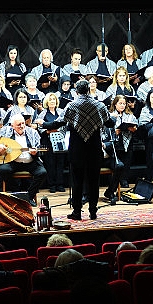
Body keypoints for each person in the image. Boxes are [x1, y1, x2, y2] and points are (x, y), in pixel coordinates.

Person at [62, 80, 113, 221]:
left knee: (77, 181)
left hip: (77, 148)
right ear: (89, 89)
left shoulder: (72, 105)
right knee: (94, 181)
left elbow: (61, 121)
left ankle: (77, 212)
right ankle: (93, 212)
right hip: (94, 148)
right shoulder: (99, 105)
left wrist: (44, 124)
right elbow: (110, 122)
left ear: (76, 91)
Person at [0, 114, 46, 207]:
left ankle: (29, 197)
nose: (21, 126)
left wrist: (35, 152)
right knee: (3, 170)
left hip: (30, 161)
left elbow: (39, 148)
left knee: (42, 172)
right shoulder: (5, 131)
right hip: (13, 162)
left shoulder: (33, 132)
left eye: (23, 123)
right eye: (18, 124)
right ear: (12, 125)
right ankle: (16, 194)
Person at [36, 92, 67, 193]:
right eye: (50, 100)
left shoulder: (61, 111)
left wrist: (56, 130)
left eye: (54, 99)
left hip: (59, 140)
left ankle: (60, 184)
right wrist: (47, 131)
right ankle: (52, 185)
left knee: (60, 163)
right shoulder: (43, 113)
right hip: (48, 141)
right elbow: (39, 126)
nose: (52, 101)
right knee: (50, 163)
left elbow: (64, 125)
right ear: (47, 102)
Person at [109, 94, 138, 188]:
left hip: (127, 140)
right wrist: (116, 131)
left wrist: (132, 128)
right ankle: (117, 180)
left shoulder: (130, 115)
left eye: (124, 104)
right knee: (118, 162)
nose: (122, 105)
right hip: (116, 142)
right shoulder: (111, 115)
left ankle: (124, 179)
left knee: (127, 161)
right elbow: (107, 130)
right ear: (115, 104)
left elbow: (135, 127)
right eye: (120, 103)